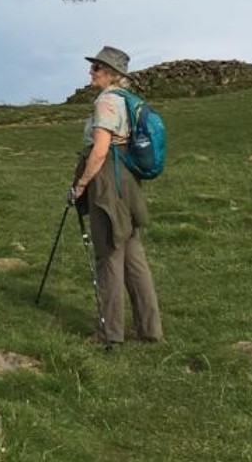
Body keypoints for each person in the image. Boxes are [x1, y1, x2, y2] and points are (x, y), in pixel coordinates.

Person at [70, 44, 163, 346]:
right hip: (129, 181)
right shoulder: (126, 100)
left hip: (109, 181)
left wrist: (81, 185)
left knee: (109, 254)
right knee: (133, 255)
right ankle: (150, 330)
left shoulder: (106, 101)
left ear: (110, 74)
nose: (91, 72)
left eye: (96, 68)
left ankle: (109, 332)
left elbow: (99, 151)